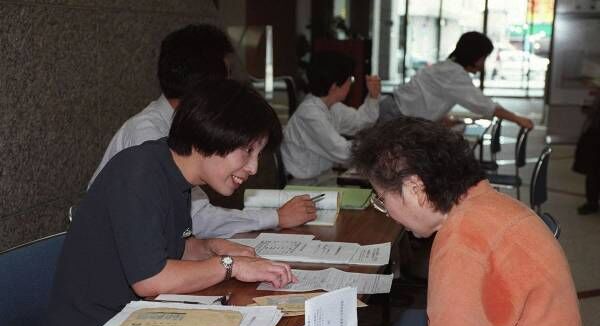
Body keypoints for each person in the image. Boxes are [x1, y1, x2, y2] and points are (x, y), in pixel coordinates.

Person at [40, 79, 297, 326]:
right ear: (210, 134)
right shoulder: (140, 172)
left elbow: (169, 247)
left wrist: (210, 247)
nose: (253, 168)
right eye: (247, 151)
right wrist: (230, 264)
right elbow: (151, 280)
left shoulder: (175, 174)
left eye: (258, 155)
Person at [350, 117, 582, 326]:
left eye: (382, 199)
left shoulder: (463, 242)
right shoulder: (486, 204)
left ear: (415, 190)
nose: (386, 211)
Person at [89, 24, 316, 237]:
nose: (229, 86)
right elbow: (196, 218)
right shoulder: (148, 138)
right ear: (205, 86)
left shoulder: (180, 131)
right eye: (226, 75)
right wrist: (275, 217)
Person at [379, 32, 534, 130]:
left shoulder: (447, 67)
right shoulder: (454, 75)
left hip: (393, 111)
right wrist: (517, 119)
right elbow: (485, 105)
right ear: (475, 56)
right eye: (484, 57)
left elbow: (427, 96)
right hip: (395, 117)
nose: (483, 63)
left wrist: (441, 117)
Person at [280, 51, 381, 184]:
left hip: (321, 178)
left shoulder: (332, 107)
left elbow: (361, 121)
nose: (351, 84)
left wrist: (373, 96)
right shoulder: (310, 114)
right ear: (334, 86)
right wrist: (378, 148)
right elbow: (342, 151)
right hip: (301, 184)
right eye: (350, 80)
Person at [573, 92, 600, 215]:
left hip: (594, 137)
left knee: (593, 172)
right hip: (594, 136)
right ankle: (592, 202)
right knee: (593, 172)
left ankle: (592, 203)